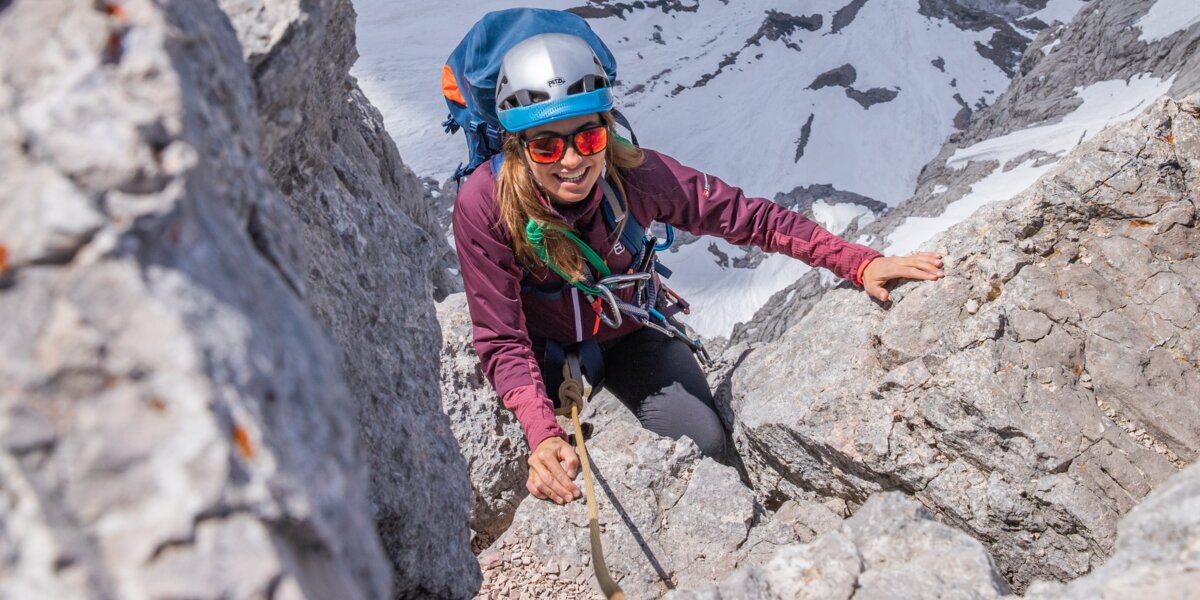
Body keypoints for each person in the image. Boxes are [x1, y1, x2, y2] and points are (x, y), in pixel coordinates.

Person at [452, 32, 944, 506]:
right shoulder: (487, 205)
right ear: (518, 147)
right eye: (546, 147)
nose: (574, 160)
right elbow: (501, 337)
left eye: (589, 136)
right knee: (554, 486)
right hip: (545, 350)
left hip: (630, 329)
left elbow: (750, 218)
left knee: (704, 441)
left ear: (608, 127)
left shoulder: (635, 177)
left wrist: (858, 261)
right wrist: (542, 432)